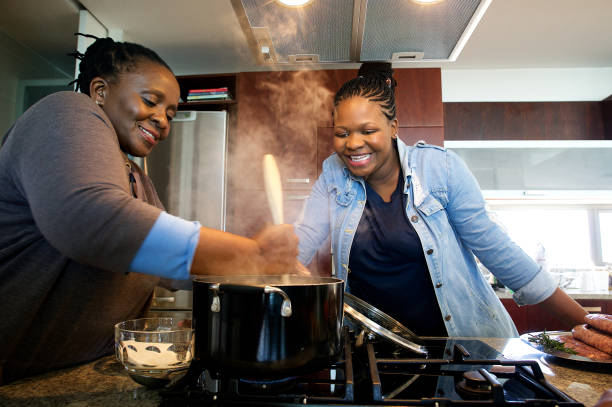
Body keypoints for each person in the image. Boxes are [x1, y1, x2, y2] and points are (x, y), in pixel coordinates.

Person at [0, 35, 302, 383]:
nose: (162, 120)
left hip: (80, 376)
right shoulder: (66, 110)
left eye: (170, 114)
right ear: (99, 91)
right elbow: (91, 220)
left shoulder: (137, 180)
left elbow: (172, 268)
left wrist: (267, 270)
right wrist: (254, 254)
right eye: (150, 101)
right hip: (14, 381)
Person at [294, 62, 587, 338]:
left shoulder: (439, 170)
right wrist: (282, 256)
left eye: (368, 131)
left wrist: (587, 325)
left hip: (451, 347)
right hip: (368, 350)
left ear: (393, 128)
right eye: (342, 133)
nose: (354, 143)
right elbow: (303, 239)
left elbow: (496, 248)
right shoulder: (334, 173)